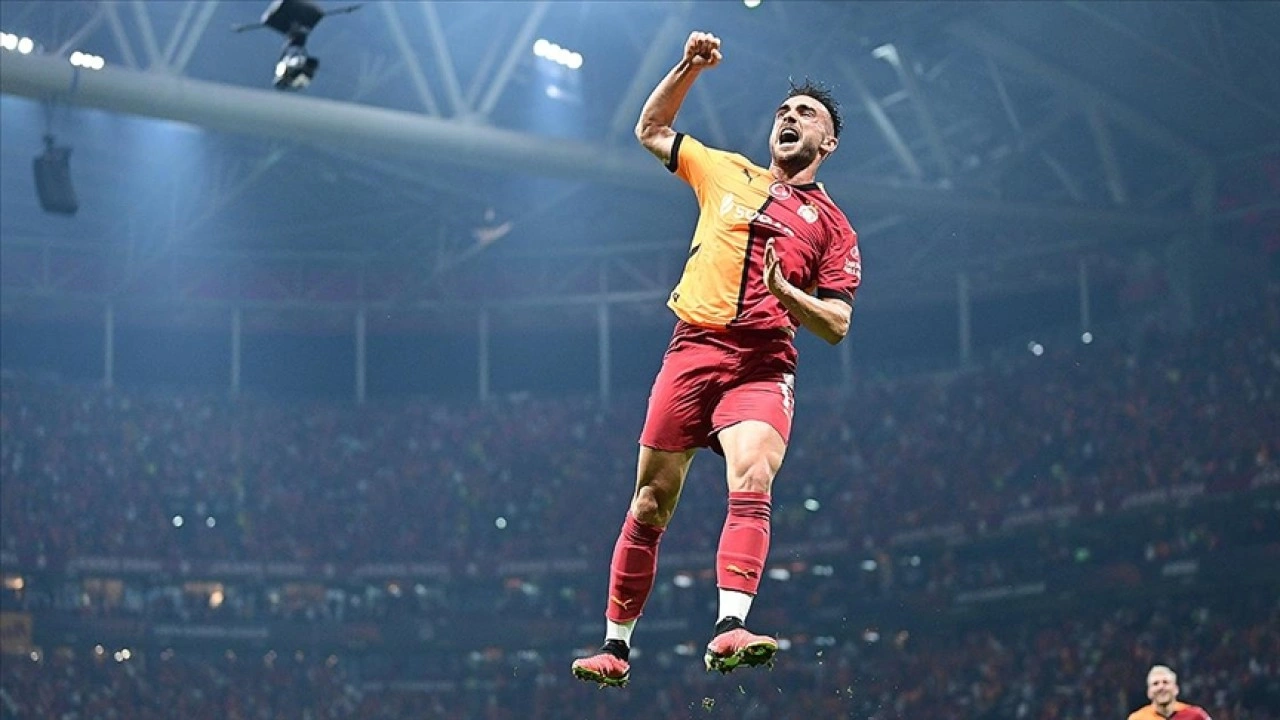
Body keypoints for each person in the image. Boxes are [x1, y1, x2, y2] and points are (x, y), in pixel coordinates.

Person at [571, 30, 861, 688]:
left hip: (762, 363)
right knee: (650, 501)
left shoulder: (834, 228)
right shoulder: (725, 170)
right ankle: (616, 647)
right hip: (692, 351)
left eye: (806, 113)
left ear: (828, 143)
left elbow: (838, 325)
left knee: (752, 475)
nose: (790, 117)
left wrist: (789, 296)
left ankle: (731, 626)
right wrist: (687, 68)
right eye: (784, 110)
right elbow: (650, 129)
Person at [1127, 665, 1213, 720]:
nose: (1161, 687)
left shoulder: (1195, 715)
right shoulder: (1138, 718)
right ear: (1149, 692)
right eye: (1155, 684)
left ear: (1176, 689)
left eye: (1166, 682)